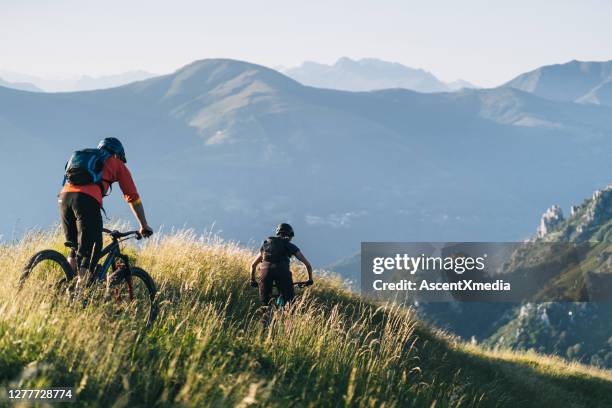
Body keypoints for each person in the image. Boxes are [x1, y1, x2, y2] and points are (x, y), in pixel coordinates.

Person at [58, 137, 153, 288]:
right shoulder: (116, 163)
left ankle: (62, 288)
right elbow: (133, 198)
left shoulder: (85, 157)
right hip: (86, 200)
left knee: (75, 249)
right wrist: (144, 225)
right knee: (93, 248)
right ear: (117, 154)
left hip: (64, 198)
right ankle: (79, 293)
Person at [250, 223, 314, 305]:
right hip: (282, 273)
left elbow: (253, 265)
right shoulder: (290, 246)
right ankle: (288, 313)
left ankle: (266, 313)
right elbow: (308, 265)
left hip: (265, 273)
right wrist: (310, 279)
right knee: (289, 302)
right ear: (290, 235)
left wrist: (252, 280)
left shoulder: (265, 245)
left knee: (265, 303)